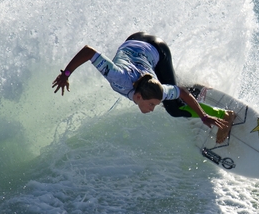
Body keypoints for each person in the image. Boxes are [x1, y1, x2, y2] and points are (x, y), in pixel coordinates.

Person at [52, 32, 234, 142]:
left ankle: (224, 115)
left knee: (173, 108)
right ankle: (189, 87)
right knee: (172, 93)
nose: (152, 109)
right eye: (152, 104)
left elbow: (182, 93)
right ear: (138, 97)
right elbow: (88, 51)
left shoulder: (141, 86)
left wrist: (204, 116)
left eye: (153, 105)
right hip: (134, 41)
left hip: (157, 49)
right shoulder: (118, 75)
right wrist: (65, 74)